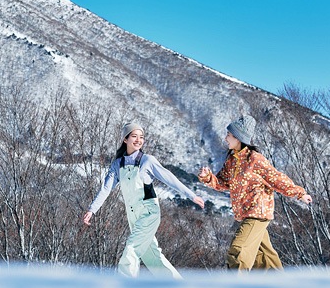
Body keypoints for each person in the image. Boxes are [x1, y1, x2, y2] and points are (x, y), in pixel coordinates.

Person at [83, 122, 205, 279]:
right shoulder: (117, 164)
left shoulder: (147, 160)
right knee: (152, 258)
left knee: (131, 249)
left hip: (149, 213)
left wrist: (191, 196)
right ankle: (177, 285)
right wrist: (92, 210)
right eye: (134, 136)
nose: (138, 140)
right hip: (133, 216)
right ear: (125, 139)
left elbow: (169, 178)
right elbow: (106, 189)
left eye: (141, 137)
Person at [197, 114, 313, 272]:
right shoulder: (232, 161)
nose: (226, 138)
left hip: (257, 214)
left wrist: (299, 193)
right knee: (265, 261)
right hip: (244, 215)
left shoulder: (255, 160)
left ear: (238, 138)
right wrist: (208, 178)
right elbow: (222, 183)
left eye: (229, 135)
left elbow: (276, 178)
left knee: (238, 252)